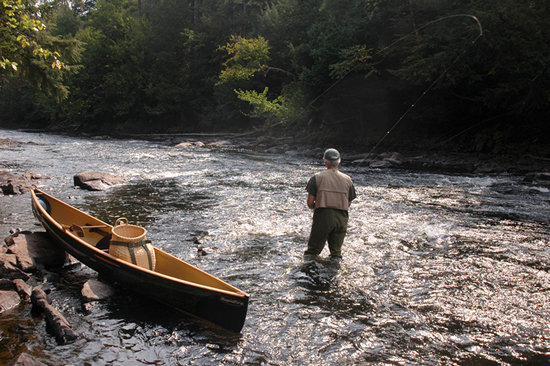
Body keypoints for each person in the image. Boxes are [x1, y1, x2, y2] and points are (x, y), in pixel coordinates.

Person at [305, 148, 356, 258]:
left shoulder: (317, 178)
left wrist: (316, 207)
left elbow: (310, 203)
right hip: (342, 217)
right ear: (339, 161)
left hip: (323, 215)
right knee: (336, 253)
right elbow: (348, 203)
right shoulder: (348, 179)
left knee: (312, 252)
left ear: (325, 161)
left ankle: (309, 273)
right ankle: (335, 273)